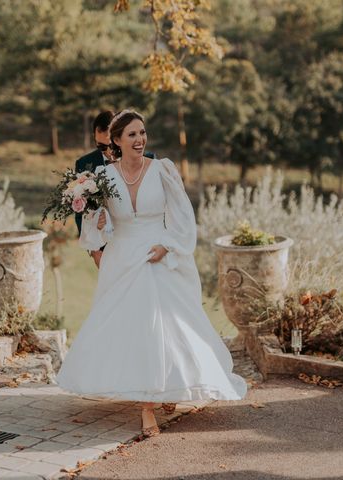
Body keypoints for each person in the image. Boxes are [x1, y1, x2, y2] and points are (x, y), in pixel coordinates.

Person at [56, 110, 247, 437]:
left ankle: (158, 399)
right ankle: (149, 398)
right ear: (116, 141)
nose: (140, 139)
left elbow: (183, 216)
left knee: (166, 328)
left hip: (157, 253)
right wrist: (99, 221)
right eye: (131, 134)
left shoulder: (162, 169)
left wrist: (168, 245)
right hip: (121, 258)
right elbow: (95, 225)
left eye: (142, 133)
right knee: (135, 330)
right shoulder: (101, 177)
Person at [74, 111, 156, 269]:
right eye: (100, 146)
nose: (106, 151)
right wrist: (94, 251)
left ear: (117, 139)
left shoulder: (149, 160)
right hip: (106, 248)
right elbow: (80, 211)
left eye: (109, 145)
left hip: (146, 243)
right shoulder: (84, 164)